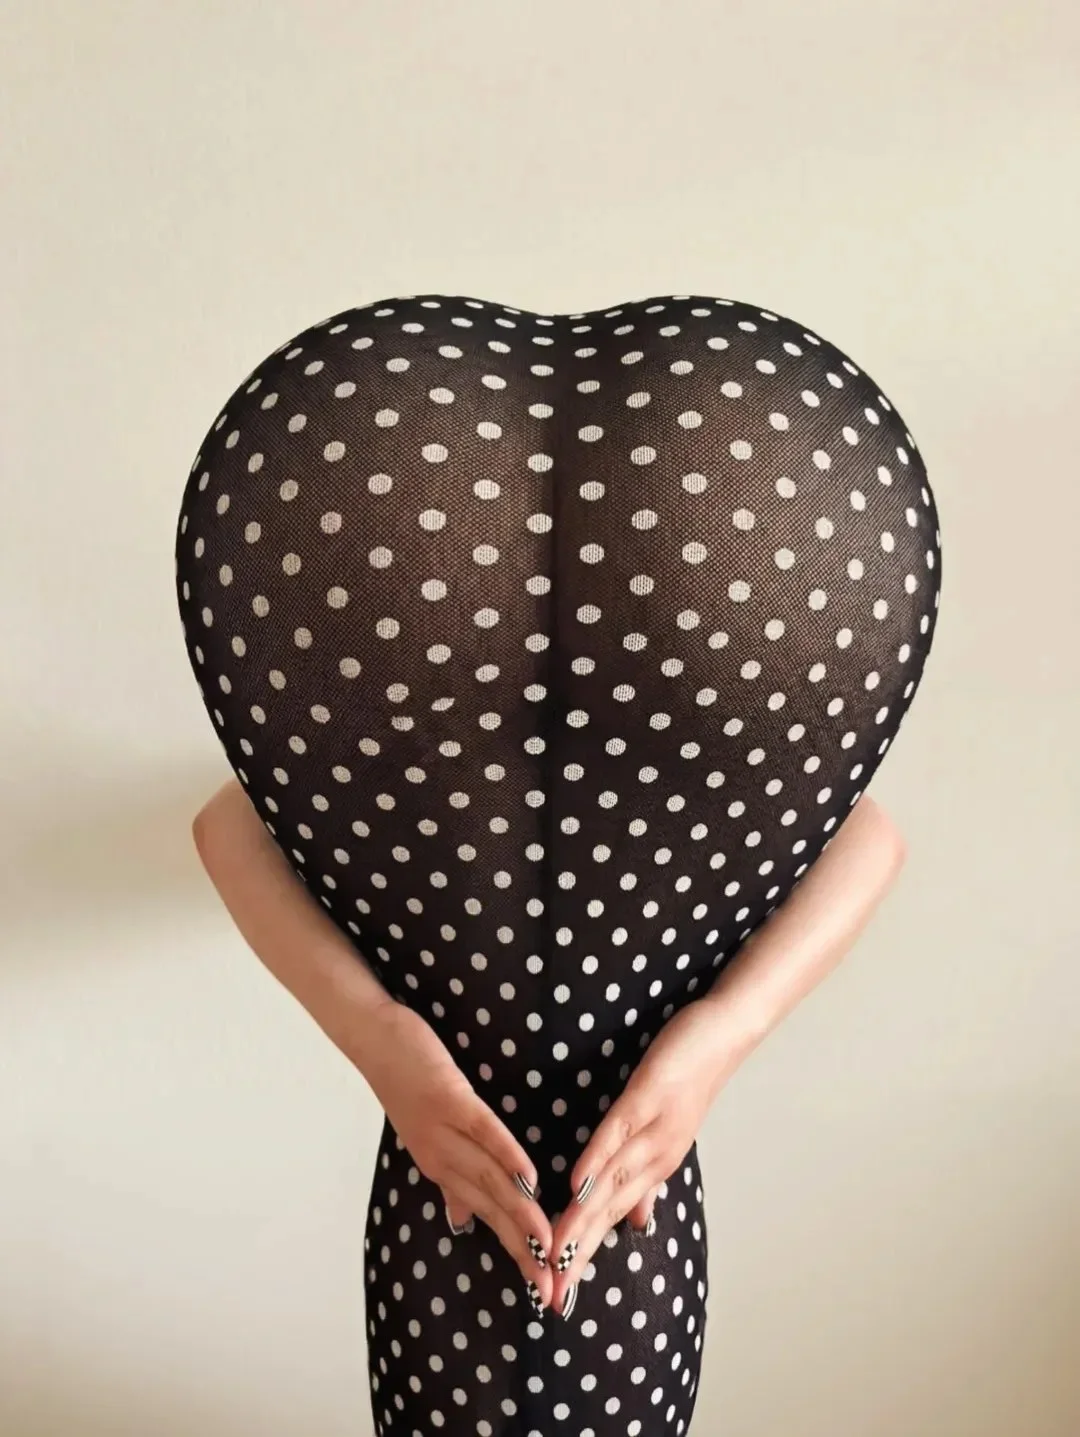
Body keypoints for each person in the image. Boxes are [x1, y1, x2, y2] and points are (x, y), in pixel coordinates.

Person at [175, 292, 942, 1435]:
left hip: (484, 1196)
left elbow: (227, 822)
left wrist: (389, 1045)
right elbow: (868, 831)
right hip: (571, 1200)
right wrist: (715, 1039)